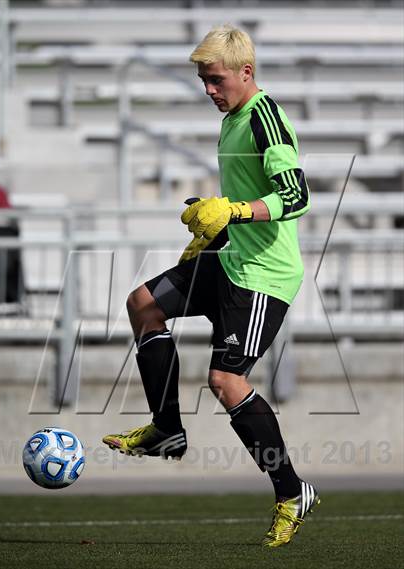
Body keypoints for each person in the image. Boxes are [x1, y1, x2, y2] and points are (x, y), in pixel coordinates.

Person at [103, 24, 319, 548]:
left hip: (263, 277)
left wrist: (235, 210)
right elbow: (242, 202)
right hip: (233, 257)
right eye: (203, 80)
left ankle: (291, 492)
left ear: (246, 72)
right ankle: (166, 429)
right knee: (143, 303)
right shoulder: (232, 118)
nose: (208, 89)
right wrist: (214, 227)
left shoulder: (265, 117)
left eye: (216, 79)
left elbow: (297, 196)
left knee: (225, 383)